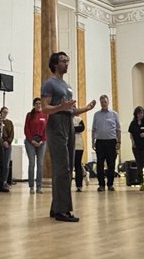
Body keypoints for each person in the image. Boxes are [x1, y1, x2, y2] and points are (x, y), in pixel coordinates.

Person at [42, 51, 95, 222]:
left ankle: (56, 207)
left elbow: (70, 110)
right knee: (62, 167)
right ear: (55, 64)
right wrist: (60, 107)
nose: (66, 63)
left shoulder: (67, 86)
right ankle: (62, 211)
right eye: (63, 60)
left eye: (67, 60)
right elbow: (45, 108)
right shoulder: (49, 84)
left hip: (68, 122)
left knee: (68, 167)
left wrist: (86, 109)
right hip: (56, 123)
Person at [91, 94, 121, 191]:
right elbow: (93, 129)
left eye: (105, 102)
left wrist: (119, 142)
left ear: (108, 102)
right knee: (100, 164)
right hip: (100, 142)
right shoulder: (96, 115)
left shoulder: (114, 114)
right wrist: (92, 141)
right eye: (102, 102)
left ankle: (110, 184)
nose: (103, 104)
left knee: (111, 164)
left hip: (111, 142)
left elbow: (118, 129)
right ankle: (101, 185)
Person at [23, 98, 47, 194]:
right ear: (34, 105)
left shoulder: (45, 115)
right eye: (36, 103)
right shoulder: (29, 115)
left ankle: (39, 186)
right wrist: (31, 140)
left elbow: (46, 129)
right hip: (30, 142)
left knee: (40, 164)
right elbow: (26, 128)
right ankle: (31, 186)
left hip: (42, 142)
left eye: (40, 103)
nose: (38, 105)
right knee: (32, 163)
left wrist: (42, 140)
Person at [129, 106, 144, 189]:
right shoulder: (133, 123)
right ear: (136, 114)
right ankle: (142, 183)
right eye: (138, 113)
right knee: (139, 166)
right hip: (136, 147)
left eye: (141, 113)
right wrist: (133, 143)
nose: (140, 115)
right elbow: (131, 134)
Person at [0, 106, 15, 190]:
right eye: (4, 112)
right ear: (1, 112)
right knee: (0, 163)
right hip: (0, 144)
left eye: (6, 112)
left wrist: (8, 142)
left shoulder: (9, 122)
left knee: (6, 164)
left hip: (8, 145)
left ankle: (5, 181)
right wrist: (2, 142)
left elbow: (12, 134)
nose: (5, 114)